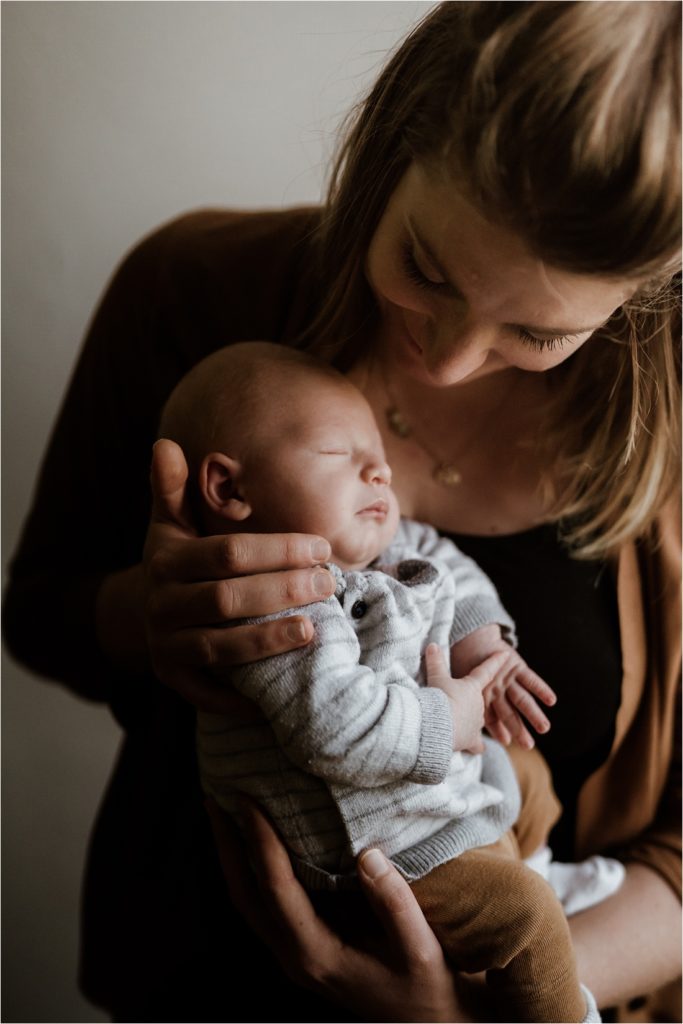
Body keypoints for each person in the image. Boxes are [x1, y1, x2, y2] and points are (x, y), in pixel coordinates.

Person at [2, 2, 680, 1022]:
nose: (447, 357)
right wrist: (148, 616)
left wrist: (470, 1005)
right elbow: (39, 614)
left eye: (536, 333)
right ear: (394, 139)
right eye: (427, 267)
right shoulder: (193, 293)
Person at [169, 339, 625, 1021]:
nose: (378, 471)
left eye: (375, 454)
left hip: (424, 796)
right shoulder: (274, 611)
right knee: (526, 922)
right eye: (340, 457)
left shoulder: (382, 549)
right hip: (378, 850)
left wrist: (483, 649)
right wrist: (448, 714)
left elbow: (447, 564)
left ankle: (531, 864)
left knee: (528, 777)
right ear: (231, 489)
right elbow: (338, 731)